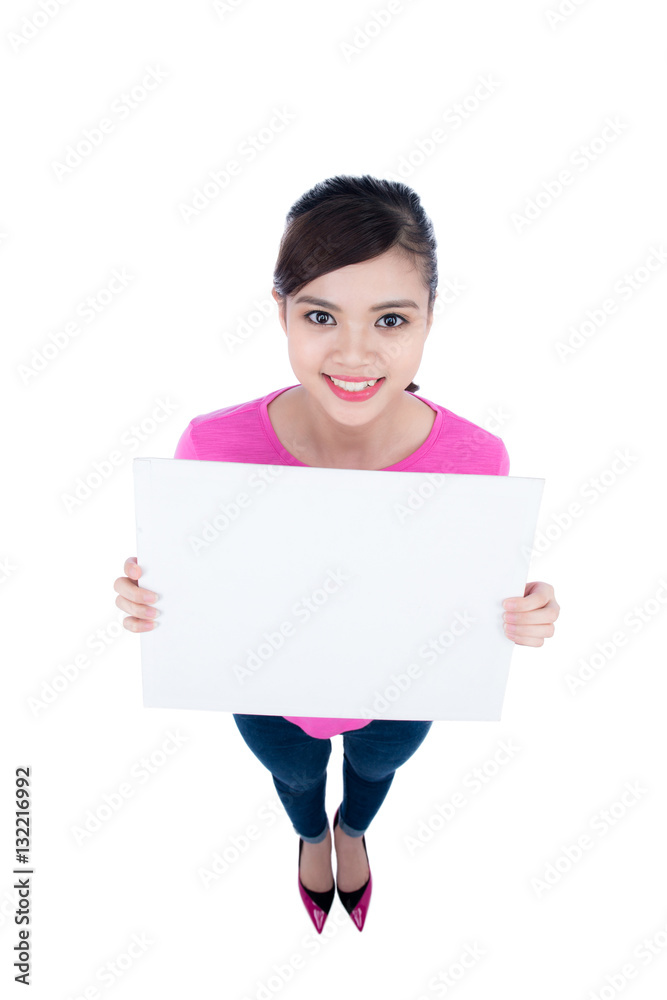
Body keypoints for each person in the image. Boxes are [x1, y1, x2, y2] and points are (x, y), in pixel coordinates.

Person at [113, 174, 560, 934]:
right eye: (321, 315)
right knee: (293, 775)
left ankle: (352, 832)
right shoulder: (212, 446)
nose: (355, 353)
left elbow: (468, 594)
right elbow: (200, 587)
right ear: (282, 313)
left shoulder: (477, 459)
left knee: (377, 768)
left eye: (390, 319)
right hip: (266, 688)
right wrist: (149, 597)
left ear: (428, 320)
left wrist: (523, 613)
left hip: (403, 691)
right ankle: (311, 838)